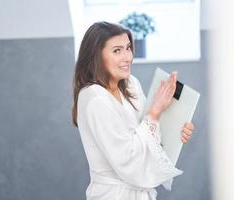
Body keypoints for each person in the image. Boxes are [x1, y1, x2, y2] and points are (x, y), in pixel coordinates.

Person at [72, 21, 195, 200]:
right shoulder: (95, 98)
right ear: (96, 56)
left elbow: (146, 135)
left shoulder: (131, 84)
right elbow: (127, 160)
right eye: (117, 51)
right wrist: (154, 112)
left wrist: (175, 131)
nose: (127, 57)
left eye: (128, 48)